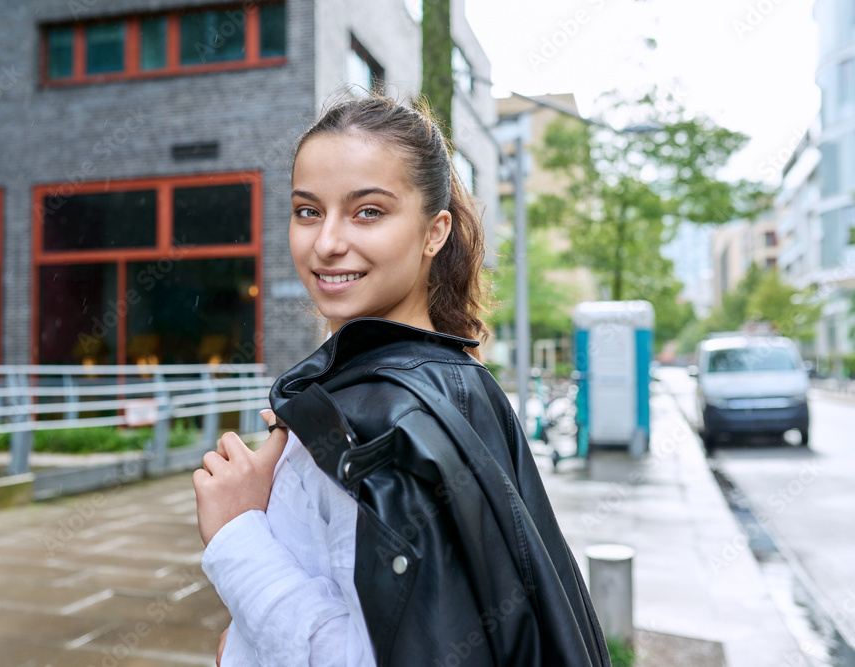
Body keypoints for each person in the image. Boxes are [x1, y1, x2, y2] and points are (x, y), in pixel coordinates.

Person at [192, 95, 610, 667]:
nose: (326, 242)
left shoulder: (383, 423)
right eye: (308, 211)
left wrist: (237, 532)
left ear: (435, 231)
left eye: (368, 212)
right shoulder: (457, 381)